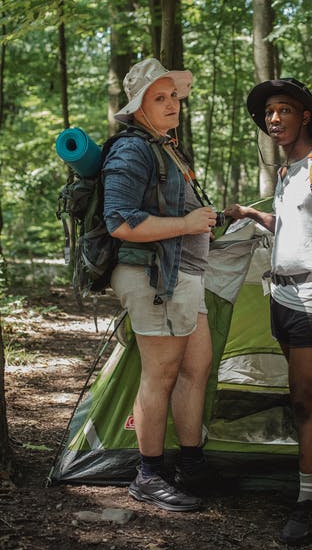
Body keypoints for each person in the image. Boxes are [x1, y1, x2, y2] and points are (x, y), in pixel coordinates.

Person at [225, 78, 312, 546]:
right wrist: (254, 215)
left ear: (305, 116)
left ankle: (308, 505)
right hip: (281, 299)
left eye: (283, 110)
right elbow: (296, 227)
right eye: (268, 114)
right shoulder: (288, 173)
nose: (273, 119)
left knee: (304, 401)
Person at [103, 57, 217, 513]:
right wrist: (186, 221)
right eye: (160, 98)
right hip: (155, 278)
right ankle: (148, 475)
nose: (172, 105)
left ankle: (191, 464)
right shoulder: (132, 149)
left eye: (173, 96)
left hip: (184, 275)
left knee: (196, 368)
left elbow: (180, 214)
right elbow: (119, 222)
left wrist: (212, 218)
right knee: (161, 374)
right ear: (138, 107)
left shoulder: (166, 146)